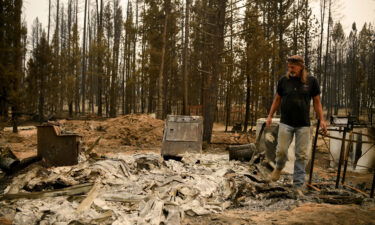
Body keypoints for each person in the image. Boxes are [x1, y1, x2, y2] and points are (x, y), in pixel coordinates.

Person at [266, 55, 327, 191]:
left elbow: (317, 102)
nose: (290, 69)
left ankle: (298, 185)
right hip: (286, 122)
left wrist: (322, 119)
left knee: (301, 155)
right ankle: (279, 167)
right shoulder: (284, 81)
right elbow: (277, 100)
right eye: (289, 66)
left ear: (300, 67)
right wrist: (270, 116)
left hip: (303, 124)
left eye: (293, 66)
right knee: (281, 150)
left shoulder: (311, 81)